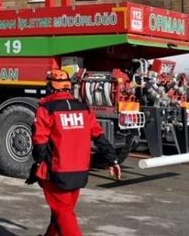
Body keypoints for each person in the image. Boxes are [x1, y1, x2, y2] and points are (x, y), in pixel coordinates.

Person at [27, 69, 122, 236]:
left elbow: (40, 142)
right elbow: (99, 136)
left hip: (57, 172)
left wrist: (37, 164)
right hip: (80, 172)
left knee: (63, 213)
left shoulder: (46, 108)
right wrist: (112, 160)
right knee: (61, 212)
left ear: (50, 87)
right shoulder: (83, 108)